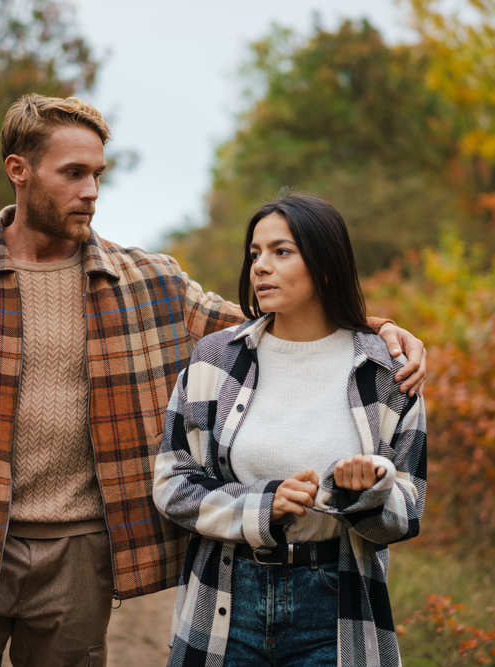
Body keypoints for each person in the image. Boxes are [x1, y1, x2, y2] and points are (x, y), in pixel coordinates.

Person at [0, 95, 427, 667]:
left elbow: (272, 327)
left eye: (97, 174)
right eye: (73, 173)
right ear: (18, 171)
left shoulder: (150, 282)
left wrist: (377, 330)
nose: (91, 191)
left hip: (80, 560)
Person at [153, 193, 427, 667]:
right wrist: (261, 506)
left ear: (324, 264)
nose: (260, 266)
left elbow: (409, 509)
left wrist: (365, 492)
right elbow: (172, 483)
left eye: (281, 251)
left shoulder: (386, 372)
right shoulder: (216, 361)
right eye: (255, 253)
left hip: (336, 606)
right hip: (224, 598)